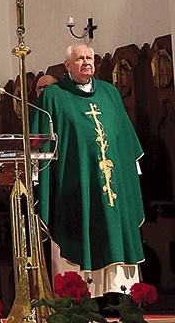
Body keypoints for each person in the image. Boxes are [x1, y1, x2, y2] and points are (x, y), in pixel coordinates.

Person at [31, 44, 145, 299]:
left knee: (114, 227)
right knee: (80, 226)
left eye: (90, 58)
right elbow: (41, 143)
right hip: (76, 183)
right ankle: (81, 296)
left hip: (111, 181)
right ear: (67, 65)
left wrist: (129, 173)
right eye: (79, 58)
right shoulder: (54, 96)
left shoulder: (110, 92)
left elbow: (124, 139)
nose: (86, 62)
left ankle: (120, 293)